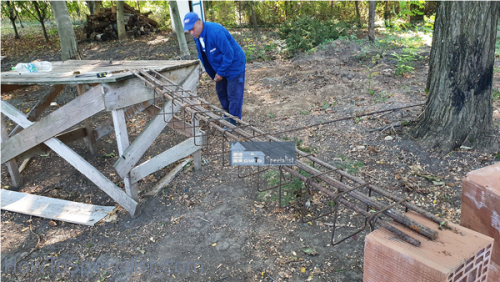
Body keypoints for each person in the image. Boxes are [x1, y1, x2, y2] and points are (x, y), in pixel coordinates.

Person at [183, 12, 246, 127]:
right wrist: (201, 70)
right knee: (222, 92)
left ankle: (234, 122)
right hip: (220, 66)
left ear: (199, 22)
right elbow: (202, 54)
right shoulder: (197, 36)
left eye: (192, 29)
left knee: (233, 95)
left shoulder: (215, 31)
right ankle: (228, 115)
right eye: (189, 31)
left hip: (234, 64)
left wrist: (220, 73)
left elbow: (229, 54)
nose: (191, 33)